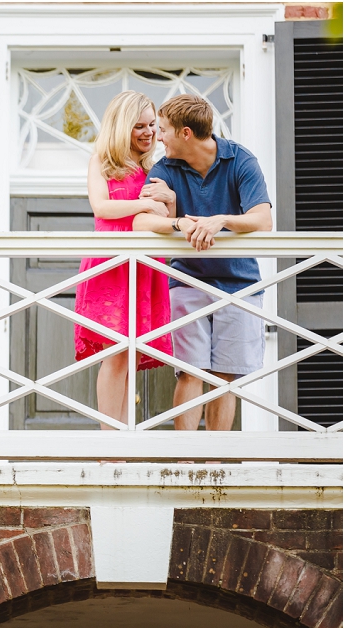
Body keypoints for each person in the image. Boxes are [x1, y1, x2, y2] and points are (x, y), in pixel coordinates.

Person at [134, 94, 272, 431]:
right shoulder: (163, 168)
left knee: (225, 377)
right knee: (190, 370)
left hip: (240, 284)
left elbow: (263, 219)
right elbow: (142, 222)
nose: (157, 136)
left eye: (163, 129)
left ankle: (214, 462)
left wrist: (219, 220)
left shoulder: (240, 160)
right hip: (186, 282)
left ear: (184, 133)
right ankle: (185, 460)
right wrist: (179, 222)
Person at [75, 91, 175, 429]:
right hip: (110, 266)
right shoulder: (102, 160)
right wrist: (144, 205)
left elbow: (166, 215)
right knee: (115, 354)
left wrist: (168, 201)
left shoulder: (157, 168)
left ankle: (122, 436)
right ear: (121, 127)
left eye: (152, 125)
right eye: (139, 127)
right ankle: (110, 444)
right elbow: (102, 207)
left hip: (145, 269)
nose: (149, 133)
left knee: (129, 355)